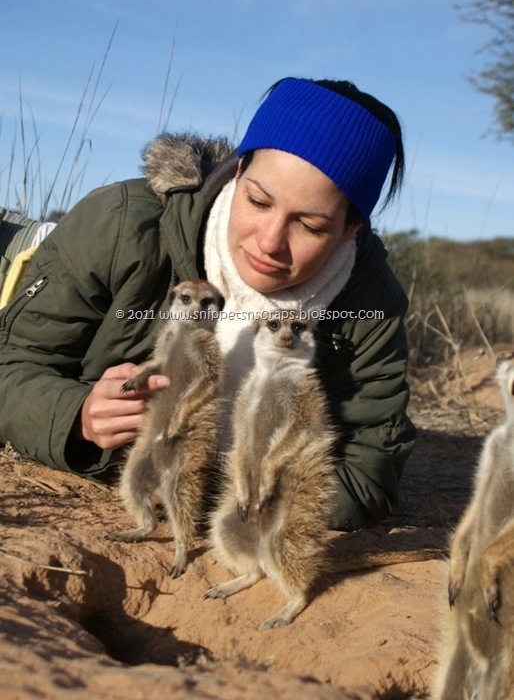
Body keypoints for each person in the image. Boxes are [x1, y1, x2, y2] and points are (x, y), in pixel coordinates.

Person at [0, 76, 415, 532]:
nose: (270, 242)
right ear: (237, 173)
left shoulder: (370, 304)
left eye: (310, 226)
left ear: (350, 230)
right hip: (29, 264)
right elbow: (11, 364)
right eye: (258, 200)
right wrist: (75, 415)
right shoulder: (121, 225)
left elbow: (366, 477)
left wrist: (216, 486)